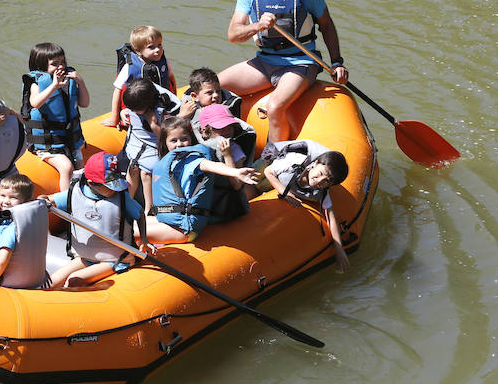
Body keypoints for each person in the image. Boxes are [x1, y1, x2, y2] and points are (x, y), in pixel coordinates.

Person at [219, 0, 349, 143]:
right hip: (265, 61)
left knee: (275, 106)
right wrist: (258, 26)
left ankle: (276, 160)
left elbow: (326, 24)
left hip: (301, 63)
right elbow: (234, 35)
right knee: (213, 87)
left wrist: (337, 62)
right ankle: (224, 141)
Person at [144, 117, 259, 245]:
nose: (179, 144)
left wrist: (235, 172)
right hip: (177, 219)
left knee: (130, 231)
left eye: (184, 139)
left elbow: (206, 165)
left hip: (187, 226)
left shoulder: (191, 158)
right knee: (134, 222)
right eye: (173, 140)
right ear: (165, 142)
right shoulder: (170, 162)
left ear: (191, 138)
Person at [44, 152, 150, 288]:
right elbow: (48, 199)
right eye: (109, 186)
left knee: (73, 280)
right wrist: (43, 201)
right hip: (87, 257)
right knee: (52, 281)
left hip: (117, 259)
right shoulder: (75, 193)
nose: (114, 190)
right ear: (91, 183)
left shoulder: (122, 198)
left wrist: (144, 239)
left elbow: (140, 214)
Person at [258, 139, 351, 272]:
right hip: (273, 158)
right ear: (316, 163)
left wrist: (339, 249)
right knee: (253, 181)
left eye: (327, 181)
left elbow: (331, 216)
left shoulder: (322, 190)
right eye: (320, 174)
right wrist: (286, 193)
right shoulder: (295, 160)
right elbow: (268, 171)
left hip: (293, 175)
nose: (319, 181)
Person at [21, 43, 90, 191]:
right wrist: (54, 86)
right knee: (66, 167)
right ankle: (66, 203)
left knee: (80, 165)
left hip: (69, 139)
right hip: (47, 145)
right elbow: (35, 103)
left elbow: (85, 103)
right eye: (54, 64)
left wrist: (80, 82)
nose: (61, 66)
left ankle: (80, 195)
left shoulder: (69, 80)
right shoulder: (37, 82)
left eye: (63, 62)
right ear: (40, 66)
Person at [102, 25, 177, 128]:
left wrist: (172, 107)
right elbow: (118, 90)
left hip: (159, 104)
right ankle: (122, 116)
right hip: (136, 106)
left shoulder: (165, 63)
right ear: (138, 50)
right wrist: (115, 118)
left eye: (159, 45)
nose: (157, 50)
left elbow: (171, 82)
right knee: (128, 119)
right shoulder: (129, 67)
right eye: (151, 47)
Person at [119, 78, 176, 213]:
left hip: (153, 147)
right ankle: (128, 201)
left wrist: (153, 125)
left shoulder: (159, 112)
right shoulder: (135, 105)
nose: (132, 110)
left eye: (135, 109)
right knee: (132, 168)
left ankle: (148, 208)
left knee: (146, 173)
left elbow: (165, 136)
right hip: (137, 146)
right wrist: (123, 112)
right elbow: (129, 111)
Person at [0, 174, 51, 288]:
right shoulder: (32, 221)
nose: (6, 201)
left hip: (11, 284)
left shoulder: (11, 227)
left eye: (13, 197)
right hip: (35, 280)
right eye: (2, 195)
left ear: (27, 200)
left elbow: (3, 257)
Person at [197, 103, 257, 221]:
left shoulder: (234, 149)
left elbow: (237, 184)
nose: (228, 131)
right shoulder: (197, 144)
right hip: (203, 205)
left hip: (225, 208)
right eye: (221, 128)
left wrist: (228, 156)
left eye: (230, 126)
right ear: (205, 130)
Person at [180, 67, 244, 135]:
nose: (216, 95)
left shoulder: (229, 107)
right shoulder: (188, 108)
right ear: (195, 96)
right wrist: (182, 116)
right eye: (209, 93)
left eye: (218, 91)